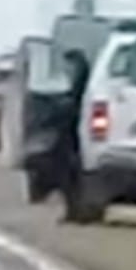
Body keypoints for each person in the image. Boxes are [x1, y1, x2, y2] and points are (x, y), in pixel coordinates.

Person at [55, 49, 92, 223]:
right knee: (70, 176)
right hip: (73, 134)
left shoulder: (80, 82)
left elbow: (74, 104)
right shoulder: (82, 81)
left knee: (70, 175)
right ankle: (74, 210)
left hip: (73, 135)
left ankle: (75, 211)